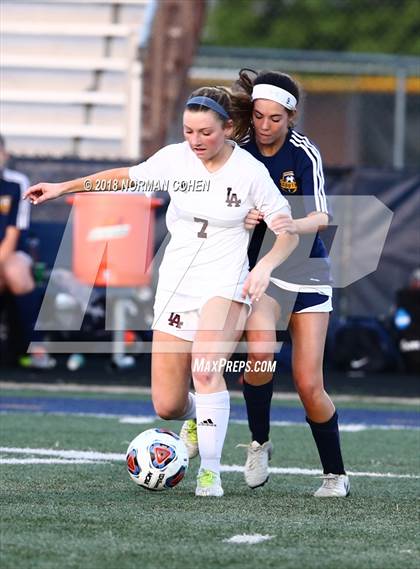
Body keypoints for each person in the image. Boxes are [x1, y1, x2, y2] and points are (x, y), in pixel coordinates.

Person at [24, 87, 298, 497]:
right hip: (175, 287)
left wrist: (264, 266)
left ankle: (210, 472)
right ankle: (199, 416)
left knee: (206, 371)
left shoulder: (249, 171)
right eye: (189, 130)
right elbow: (121, 177)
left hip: (226, 286)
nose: (196, 140)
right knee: (167, 405)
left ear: (227, 128)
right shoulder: (173, 159)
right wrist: (64, 187)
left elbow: (287, 233)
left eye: (205, 131)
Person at [233, 69, 349, 497]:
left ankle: (335, 474)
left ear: (291, 117)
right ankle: (259, 443)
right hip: (262, 274)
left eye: (275, 119)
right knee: (260, 358)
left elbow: (322, 217)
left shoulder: (305, 154)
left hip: (308, 272)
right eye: (259, 117)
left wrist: (287, 224)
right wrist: (242, 219)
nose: (265, 126)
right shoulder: (239, 153)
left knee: (308, 384)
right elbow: (226, 209)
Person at [0, 135, 54, 368]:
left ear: (5, 155)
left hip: (10, 254)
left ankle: (35, 347)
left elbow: (12, 235)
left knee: (14, 272)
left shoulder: (16, 183)